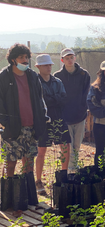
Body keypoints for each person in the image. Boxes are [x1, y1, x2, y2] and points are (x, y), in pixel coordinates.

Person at [0, 43, 47, 205]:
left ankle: (27, 198)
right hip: (12, 129)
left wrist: (43, 117)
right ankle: (10, 199)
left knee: (28, 164)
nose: (25, 60)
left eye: (27, 57)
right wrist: (4, 123)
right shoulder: (4, 77)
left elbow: (40, 99)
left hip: (31, 128)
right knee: (11, 163)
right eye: (21, 57)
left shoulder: (33, 76)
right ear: (13, 59)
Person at [34, 54, 70, 195]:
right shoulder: (35, 83)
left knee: (65, 147)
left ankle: (63, 175)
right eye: (45, 65)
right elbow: (40, 101)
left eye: (50, 65)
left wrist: (51, 99)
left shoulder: (58, 81)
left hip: (59, 118)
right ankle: (38, 180)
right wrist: (54, 99)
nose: (48, 67)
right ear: (38, 67)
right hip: (43, 120)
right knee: (41, 151)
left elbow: (64, 99)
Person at [54, 48, 90, 173]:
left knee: (76, 145)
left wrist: (82, 110)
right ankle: (70, 170)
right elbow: (56, 96)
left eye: (71, 57)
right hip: (64, 117)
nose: (69, 60)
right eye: (66, 58)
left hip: (80, 116)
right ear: (62, 60)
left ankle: (73, 168)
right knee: (67, 146)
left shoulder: (84, 74)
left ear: (75, 58)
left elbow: (86, 94)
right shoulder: (57, 76)